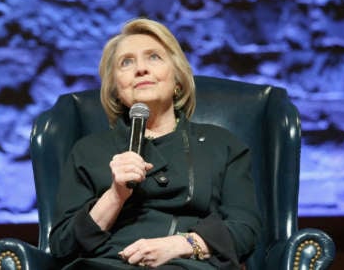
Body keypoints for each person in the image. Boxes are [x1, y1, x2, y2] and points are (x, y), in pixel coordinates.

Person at [49, 18, 261, 270]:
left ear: (178, 80)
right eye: (126, 62)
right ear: (116, 88)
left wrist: (179, 245)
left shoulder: (222, 144)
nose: (141, 69)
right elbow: (62, 246)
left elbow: (245, 230)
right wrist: (115, 195)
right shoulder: (89, 150)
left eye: (154, 58)